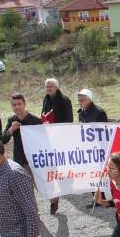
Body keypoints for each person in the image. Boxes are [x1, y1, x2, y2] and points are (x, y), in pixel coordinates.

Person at [41, 78, 73, 215]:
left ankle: (67, 178)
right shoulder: (46, 99)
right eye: (47, 86)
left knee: (63, 157)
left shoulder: (65, 100)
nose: (49, 88)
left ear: (57, 87)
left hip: (61, 133)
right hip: (49, 134)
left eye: (51, 86)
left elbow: (69, 118)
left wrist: (65, 132)